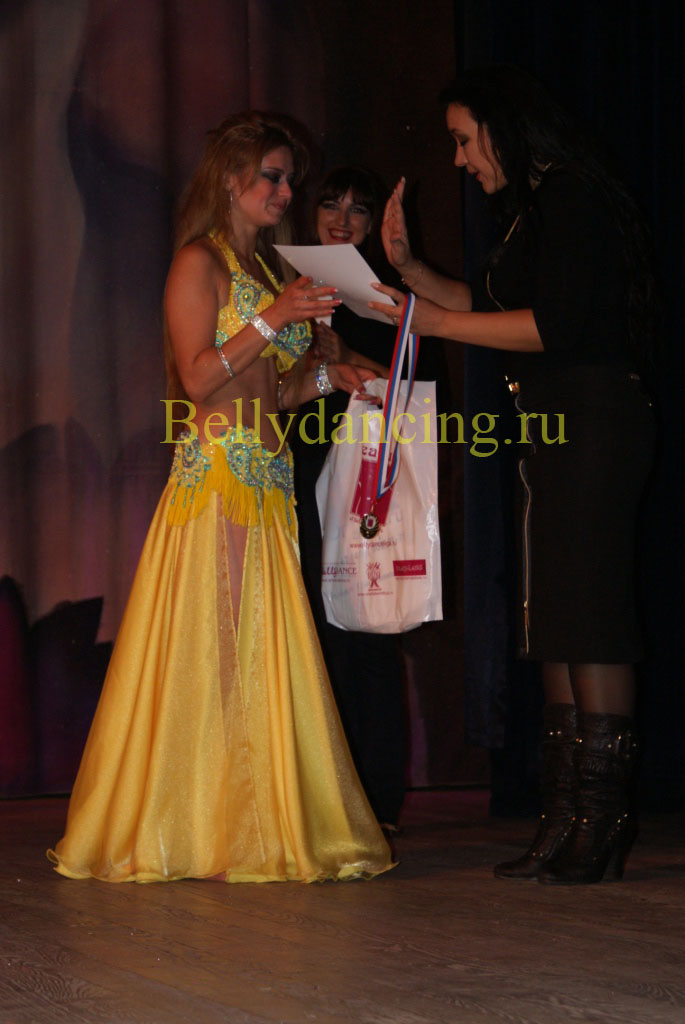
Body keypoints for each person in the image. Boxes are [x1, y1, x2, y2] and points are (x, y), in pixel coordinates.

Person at [48, 112, 394, 884]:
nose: (285, 190)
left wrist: (330, 376)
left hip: (267, 482)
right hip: (218, 480)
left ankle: (249, 821)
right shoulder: (198, 263)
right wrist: (276, 318)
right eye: (271, 176)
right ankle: (197, 825)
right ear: (230, 180)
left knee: (258, 657)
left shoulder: (265, 271)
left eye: (288, 178)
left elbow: (274, 392)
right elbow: (200, 378)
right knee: (217, 655)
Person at [369, 66, 656, 885]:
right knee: (554, 616)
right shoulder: (536, 205)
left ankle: (599, 823)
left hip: (594, 419)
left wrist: (435, 320)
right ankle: (564, 819)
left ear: (503, 127)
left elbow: (552, 326)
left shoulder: (570, 197)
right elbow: (489, 307)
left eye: (464, 140)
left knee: (587, 613)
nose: (459, 159)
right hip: (557, 422)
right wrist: (409, 271)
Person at [292, 166, 406, 833]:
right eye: (330, 205)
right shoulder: (291, 288)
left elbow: (417, 391)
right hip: (300, 467)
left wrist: (348, 353)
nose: (341, 220)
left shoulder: (386, 298)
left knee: (364, 630)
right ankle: (318, 797)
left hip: (366, 474)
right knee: (309, 629)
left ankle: (377, 799)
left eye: (358, 210)